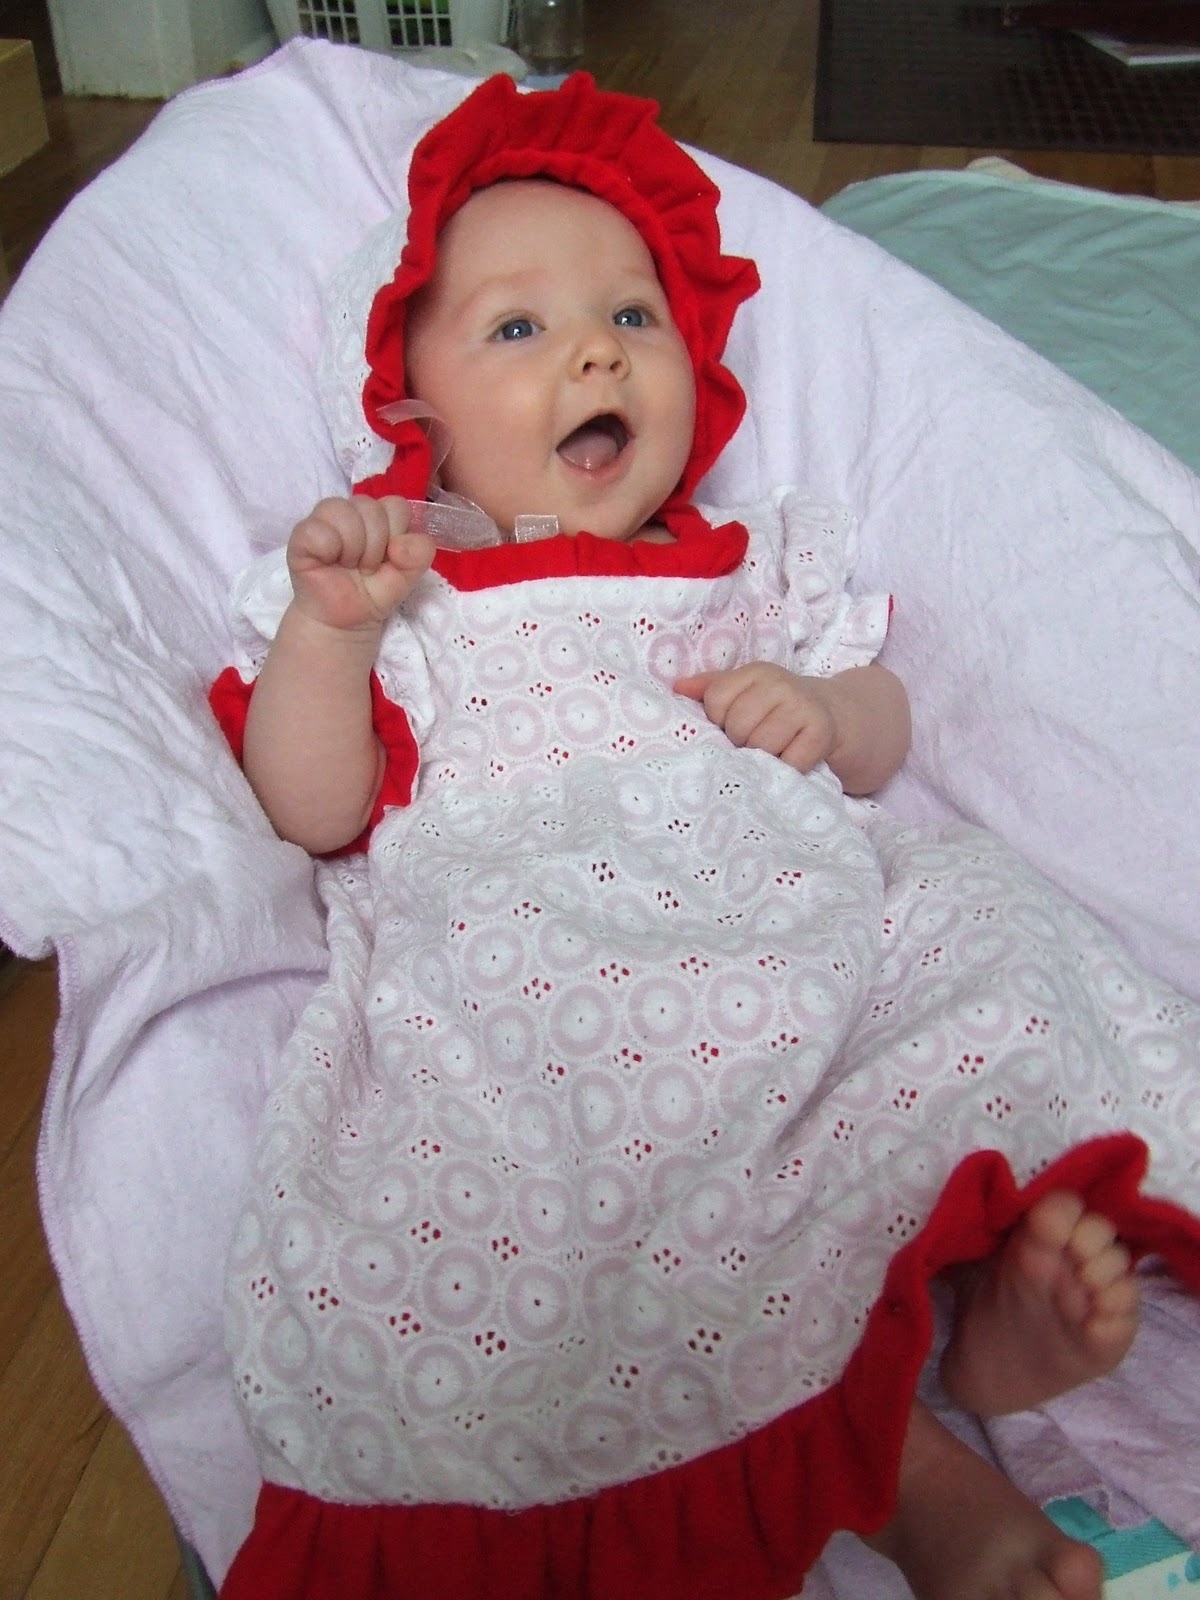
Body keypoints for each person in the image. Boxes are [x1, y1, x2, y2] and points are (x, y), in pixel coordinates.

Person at [211, 72, 1196, 1600]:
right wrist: (328, 634)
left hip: (791, 930)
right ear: (409, 408)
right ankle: (922, 1468)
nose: (598, 344)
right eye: (519, 329)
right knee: (603, 1226)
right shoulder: (402, 596)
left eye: (636, 315)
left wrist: (824, 707)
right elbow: (314, 805)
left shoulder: (741, 570)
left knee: (988, 936)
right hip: (545, 978)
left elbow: (882, 720)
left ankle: (971, 1334)